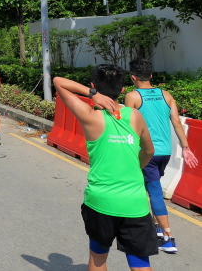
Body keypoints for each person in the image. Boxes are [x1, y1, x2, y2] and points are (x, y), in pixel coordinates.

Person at [54, 66, 158, 271]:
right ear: (122, 90)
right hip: (134, 203)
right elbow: (149, 150)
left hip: (100, 201)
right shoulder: (135, 116)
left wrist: (92, 94)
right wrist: (136, 167)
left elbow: (58, 81)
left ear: (94, 86)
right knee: (140, 263)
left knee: (98, 258)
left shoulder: (89, 116)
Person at [124, 58, 199, 254]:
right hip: (165, 152)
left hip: (145, 152)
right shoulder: (166, 95)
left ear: (133, 77)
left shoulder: (132, 96)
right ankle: (156, 227)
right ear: (150, 75)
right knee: (149, 186)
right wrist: (186, 147)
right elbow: (176, 123)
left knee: (154, 191)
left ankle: (168, 238)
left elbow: (129, 127)